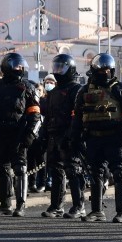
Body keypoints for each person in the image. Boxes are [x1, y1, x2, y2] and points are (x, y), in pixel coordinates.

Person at [70, 53, 122, 223]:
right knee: (95, 174)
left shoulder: (120, 88)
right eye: (101, 69)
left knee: (119, 174)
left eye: (107, 69)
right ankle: (97, 211)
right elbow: (77, 116)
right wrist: (74, 138)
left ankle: (121, 212)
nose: (104, 72)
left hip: (114, 138)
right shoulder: (84, 91)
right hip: (93, 138)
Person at [0, 53, 41, 217]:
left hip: (18, 134)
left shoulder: (27, 87)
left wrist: (30, 134)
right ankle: (5, 204)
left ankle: (21, 205)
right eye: (17, 66)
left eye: (21, 66)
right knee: (2, 168)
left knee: (20, 168)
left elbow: (35, 114)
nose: (20, 69)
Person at [40, 56, 84, 218]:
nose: (58, 70)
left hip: (69, 135)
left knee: (73, 170)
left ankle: (79, 205)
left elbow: (77, 114)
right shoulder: (55, 91)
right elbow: (49, 115)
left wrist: (72, 134)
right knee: (56, 170)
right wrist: (43, 135)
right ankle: (56, 206)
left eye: (61, 67)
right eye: (56, 67)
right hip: (54, 134)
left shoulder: (76, 89)